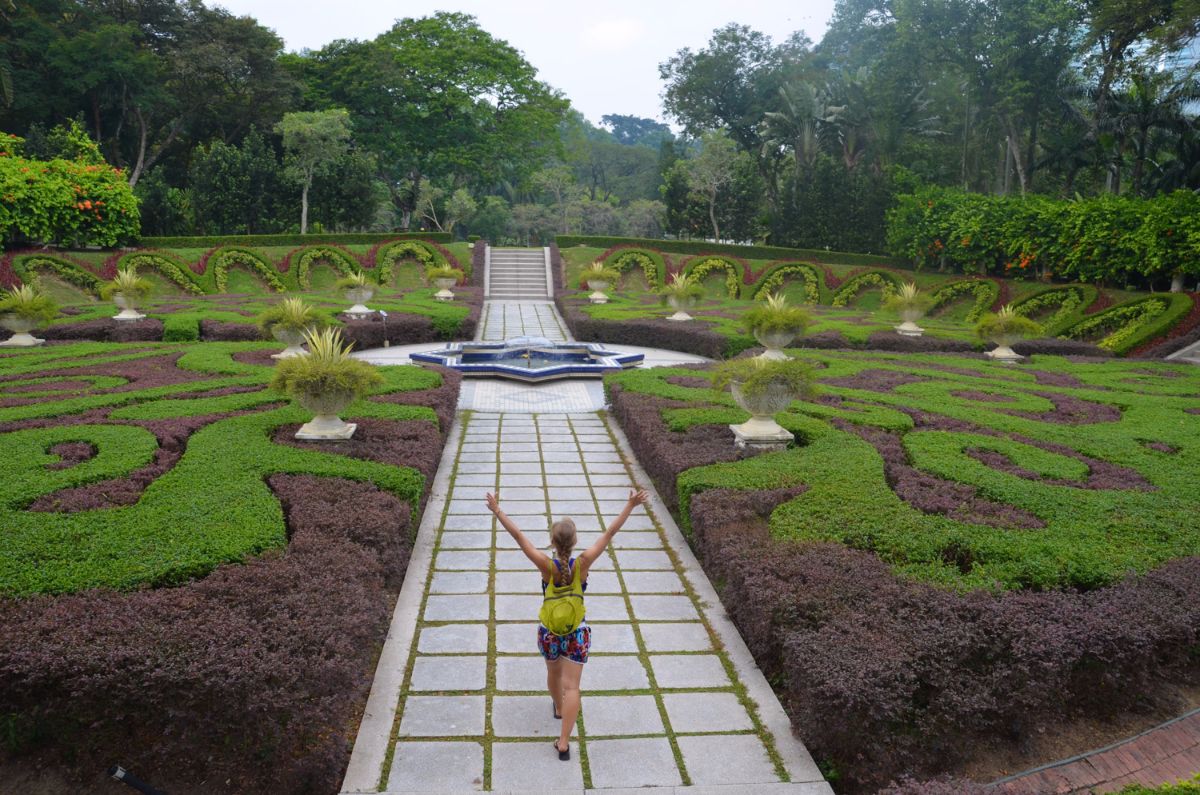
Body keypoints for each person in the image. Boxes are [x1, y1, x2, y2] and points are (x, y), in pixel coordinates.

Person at [485, 488, 650, 761]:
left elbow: (519, 537)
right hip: (577, 633)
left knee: (553, 672)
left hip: (549, 632)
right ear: (575, 542)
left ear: (552, 542)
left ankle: (559, 708)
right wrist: (630, 505)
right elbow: (610, 533)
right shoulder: (582, 564)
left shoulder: (546, 566)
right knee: (572, 686)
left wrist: (497, 510)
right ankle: (563, 743)